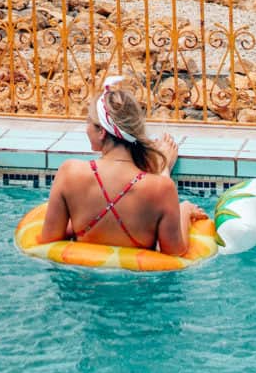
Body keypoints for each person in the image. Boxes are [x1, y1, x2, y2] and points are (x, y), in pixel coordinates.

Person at [38, 76, 207, 255]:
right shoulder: (162, 188)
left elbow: (49, 242)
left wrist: (82, 222)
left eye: (88, 122)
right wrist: (185, 210)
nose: (86, 128)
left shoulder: (69, 173)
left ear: (102, 132)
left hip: (83, 281)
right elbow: (175, 254)